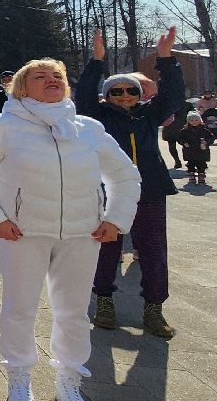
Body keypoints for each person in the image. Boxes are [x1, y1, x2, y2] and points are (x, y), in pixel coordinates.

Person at [0, 57, 140, 401]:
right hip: (23, 233)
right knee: (20, 306)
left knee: (73, 310)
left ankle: (69, 378)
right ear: (23, 89)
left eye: (57, 75)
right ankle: (19, 376)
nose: (51, 80)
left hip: (81, 233)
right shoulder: (3, 127)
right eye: (40, 76)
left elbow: (125, 175)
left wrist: (116, 219)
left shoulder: (88, 128)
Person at [75, 28, 184, 339]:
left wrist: (166, 59)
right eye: (117, 91)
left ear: (140, 95)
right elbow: (83, 94)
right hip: (108, 191)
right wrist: (97, 61)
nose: (125, 96)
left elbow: (174, 96)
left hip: (148, 189)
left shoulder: (149, 115)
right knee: (106, 246)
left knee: (152, 249)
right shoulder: (97, 116)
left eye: (131, 91)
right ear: (107, 96)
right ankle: (104, 300)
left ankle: (153, 308)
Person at [179, 112, 213, 185]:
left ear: (200, 120)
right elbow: (180, 138)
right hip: (189, 150)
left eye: (196, 120)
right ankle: (191, 176)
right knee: (191, 163)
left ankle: (201, 175)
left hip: (202, 150)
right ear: (188, 121)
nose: (194, 122)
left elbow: (211, 137)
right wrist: (184, 143)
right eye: (191, 120)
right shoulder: (185, 130)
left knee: (201, 163)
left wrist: (206, 142)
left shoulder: (204, 130)